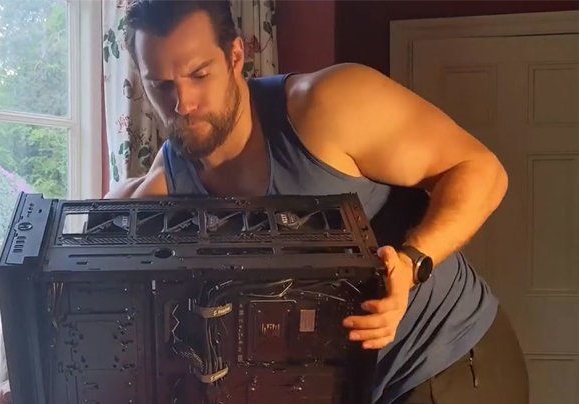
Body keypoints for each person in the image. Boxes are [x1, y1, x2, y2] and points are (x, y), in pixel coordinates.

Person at [102, 1, 529, 404]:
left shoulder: (328, 105)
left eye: (199, 74)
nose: (183, 104)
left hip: (444, 361)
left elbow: (481, 170)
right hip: (346, 386)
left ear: (235, 56)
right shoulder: (169, 184)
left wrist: (411, 262)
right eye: (161, 85)